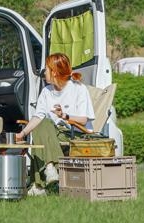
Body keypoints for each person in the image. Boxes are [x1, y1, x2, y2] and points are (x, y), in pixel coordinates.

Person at [15, 52, 95, 196]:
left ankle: (39, 184)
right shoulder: (46, 92)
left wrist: (64, 115)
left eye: (46, 69)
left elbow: (83, 120)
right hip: (53, 132)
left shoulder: (78, 89)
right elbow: (37, 117)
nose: (44, 72)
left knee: (42, 128)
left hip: (75, 132)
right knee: (41, 125)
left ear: (55, 72)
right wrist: (22, 134)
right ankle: (49, 168)